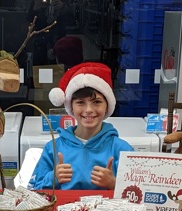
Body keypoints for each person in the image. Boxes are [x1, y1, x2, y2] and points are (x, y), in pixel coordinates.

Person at [28, 62, 133, 191]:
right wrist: (53, 178)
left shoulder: (122, 149)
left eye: (97, 102)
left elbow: (138, 194)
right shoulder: (53, 148)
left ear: (107, 106)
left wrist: (114, 184)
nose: (88, 110)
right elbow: (33, 191)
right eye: (81, 102)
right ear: (71, 107)